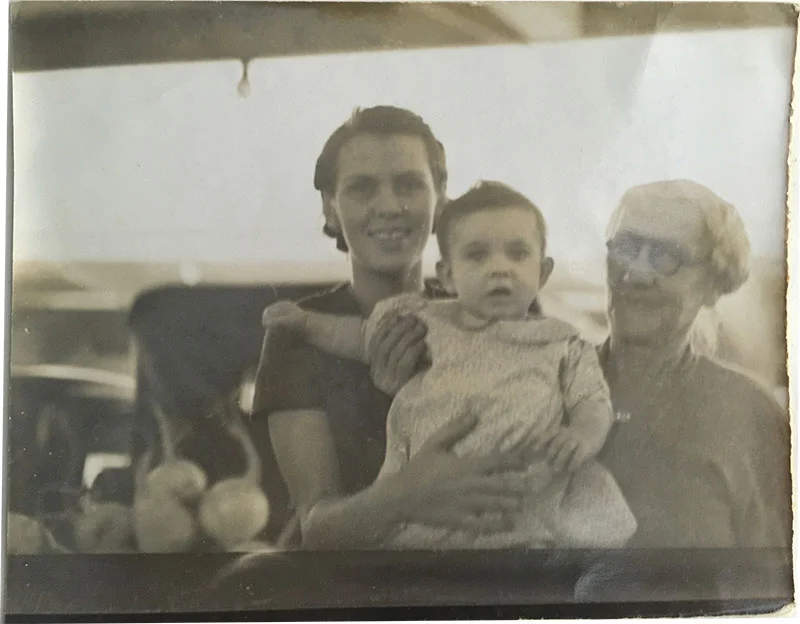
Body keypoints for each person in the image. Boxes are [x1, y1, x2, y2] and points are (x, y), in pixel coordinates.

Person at [262, 181, 637, 549]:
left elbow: (592, 401)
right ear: (447, 275)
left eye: (518, 253)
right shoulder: (429, 321)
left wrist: (582, 436)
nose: (500, 269)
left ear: (543, 272)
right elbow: (361, 338)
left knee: (531, 542)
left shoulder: (562, 343)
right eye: (477, 255)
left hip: (524, 489)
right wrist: (307, 324)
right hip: (430, 489)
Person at [249, 107, 534, 549]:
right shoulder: (297, 335)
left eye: (408, 185)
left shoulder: (494, 310)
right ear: (330, 207)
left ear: (440, 198)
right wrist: (408, 493)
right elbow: (318, 528)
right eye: (362, 188)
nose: (387, 206)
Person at [595, 179, 791, 549]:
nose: (636, 272)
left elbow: (773, 582)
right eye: (625, 247)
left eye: (667, 257)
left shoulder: (751, 416)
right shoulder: (542, 383)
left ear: (713, 286)